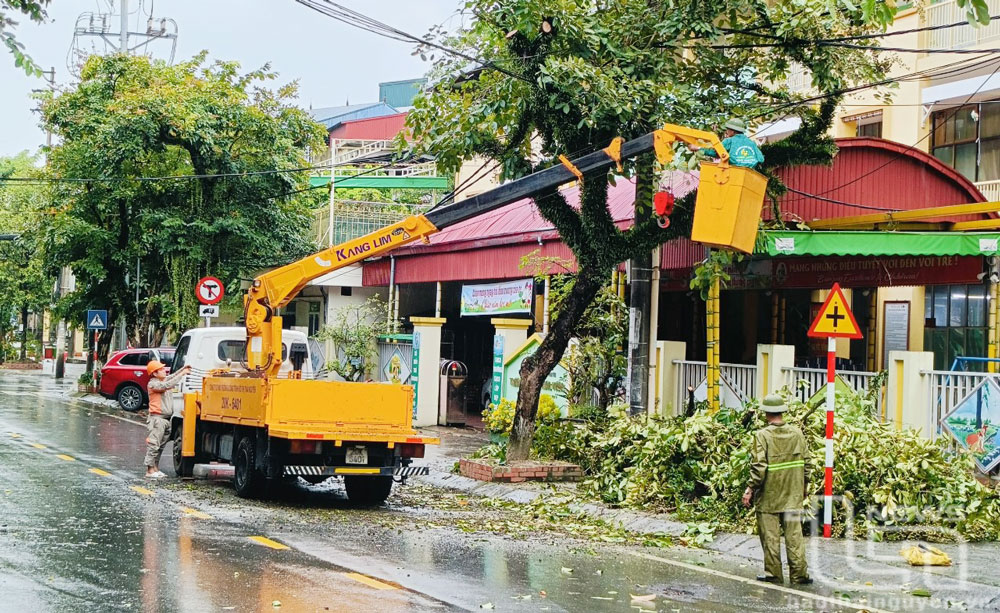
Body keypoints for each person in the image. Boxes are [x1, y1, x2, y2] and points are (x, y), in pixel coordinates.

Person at [742, 394, 812, 585]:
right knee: (795, 536)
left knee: (770, 537)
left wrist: (750, 488)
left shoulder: (762, 436)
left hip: (769, 496)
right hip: (793, 494)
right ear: (782, 411)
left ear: (766, 413)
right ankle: (799, 575)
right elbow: (807, 463)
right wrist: (804, 486)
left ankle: (774, 574)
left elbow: (759, 467)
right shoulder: (798, 433)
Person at [144, 359, 191, 478]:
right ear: (154, 373)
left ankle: (155, 468)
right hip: (157, 419)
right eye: (161, 369)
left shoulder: (162, 380)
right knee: (154, 445)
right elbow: (167, 385)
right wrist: (182, 373)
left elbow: (171, 377)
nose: (164, 371)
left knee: (160, 447)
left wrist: (183, 369)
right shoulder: (153, 384)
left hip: (166, 419)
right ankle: (149, 470)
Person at [691, 118, 764, 169]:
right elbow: (761, 159)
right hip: (748, 174)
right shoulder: (751, 143)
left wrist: (698, 148)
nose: (726, 131)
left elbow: (716, 153)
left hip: (734, 171)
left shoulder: (729, 141)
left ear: (733, 131)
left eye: (728, 129)